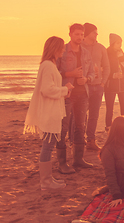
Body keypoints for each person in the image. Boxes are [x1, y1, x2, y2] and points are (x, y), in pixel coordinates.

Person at [24, 36, 74, 190]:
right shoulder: (48, 65)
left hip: (52, 110)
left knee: (49, 145)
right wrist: (66, 89)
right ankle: (45, 182)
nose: (64, 50)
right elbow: (46, 90)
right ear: (55, 48)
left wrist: (64, 91)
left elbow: (49, 88)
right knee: (48, 146)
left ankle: (48, 179)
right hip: (49, 112)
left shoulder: (49, 65)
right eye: (61, 47)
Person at [57, 23, 96, 172]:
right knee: (63, 127)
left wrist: (87, 80)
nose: (79, 37)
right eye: (76, 34)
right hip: (66, 94)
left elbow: (92, 73)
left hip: (83, 94)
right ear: (70, 34)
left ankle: (78, 160)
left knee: (80, 127)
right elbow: (55, 72)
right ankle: (62, 163)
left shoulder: (86, 53)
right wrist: (70, 74)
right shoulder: (63, 52)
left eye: (81, 35)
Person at [82, 23, 110, 151]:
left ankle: (91, 140)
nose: (97, 34)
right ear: (87, 33)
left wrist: (103, 82)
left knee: (94, 114)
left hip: (97, 86)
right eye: (94, 32)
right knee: (80, 114)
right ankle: (77, 140)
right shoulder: (79, 47)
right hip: (83, 86)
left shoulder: (101, 48)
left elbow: (107, 66)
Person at [105, 33, 124, 132]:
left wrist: (122, 59)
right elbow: (104, 70)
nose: (120, 45)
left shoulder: (123, 55)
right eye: (118, 43)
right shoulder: (106, 54)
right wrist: (113, 76)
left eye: (121, 43)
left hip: (123, 85)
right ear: (112, 43)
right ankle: (108, 127)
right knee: (110, 109)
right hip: (110, 85)